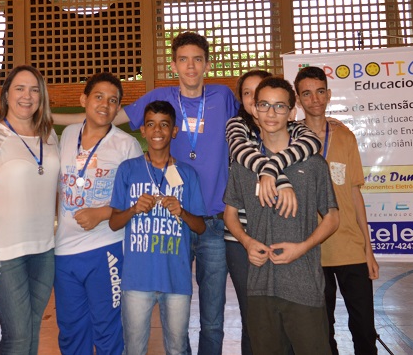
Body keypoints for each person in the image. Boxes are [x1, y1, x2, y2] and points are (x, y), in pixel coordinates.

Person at [53, 31, 238, 355]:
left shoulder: (223, 97)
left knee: (211, 318)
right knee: (168, 308)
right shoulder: (161, 96)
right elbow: (108, 115)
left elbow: (253, 121)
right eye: (183, 59)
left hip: (209, 223)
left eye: (197, 59)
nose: (190, 66)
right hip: (167, 226)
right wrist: (45, 117)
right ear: (174, 64)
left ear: (207, 64)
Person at [224, 76, 339, 354]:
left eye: (279, 106)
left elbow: (333, 217)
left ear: (292, 112)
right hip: (260, 286)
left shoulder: (313, 164)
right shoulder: (243, 164)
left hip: (304, 285)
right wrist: (247, 242)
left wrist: (302, 248)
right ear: (254, 109)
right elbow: (228, 214)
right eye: (264, 105)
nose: (271, 113)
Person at [0, 64, 59, 355]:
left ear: (41, 97)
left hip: (44, 250)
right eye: (19, 88)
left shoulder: (49, 136)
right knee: (17, 336)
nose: (26, 96)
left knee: (31, 330)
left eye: (34, 90)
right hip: (4, 254)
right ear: (6, 95)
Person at [54, 72, 143, 355]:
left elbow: (136, 199)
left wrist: (102, 213)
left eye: (113, 100)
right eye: (99, 97)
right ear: (84, 100)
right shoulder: (67, 135)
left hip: (106, 248)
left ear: (118, 109)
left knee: (107, 328)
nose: (105, 104)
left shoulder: (126, 145)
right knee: (71, 328)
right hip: (63, 252)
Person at [109, 100, 207, 355]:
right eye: (151, 125)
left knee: (176, 348)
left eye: (164, 125)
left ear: (174, 131)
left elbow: (201, 227)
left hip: (176, 279)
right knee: (134, 349)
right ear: (142, 130)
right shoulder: (128, 170)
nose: (157, 131)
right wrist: (133, 209)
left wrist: (182, 212)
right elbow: (113, 223)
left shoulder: (187, 173)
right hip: (136, 279)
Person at [294, 66, 379, 355]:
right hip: (313, 250)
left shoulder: (345, 136)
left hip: (350, 247)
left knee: (364, 327)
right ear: (298, 99)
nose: (314, 99)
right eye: (307, 93)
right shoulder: (291, 140)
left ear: (328, 94)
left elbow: (355, 194)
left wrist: (368, 250)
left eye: (320, 91)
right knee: (322, 328)